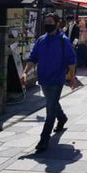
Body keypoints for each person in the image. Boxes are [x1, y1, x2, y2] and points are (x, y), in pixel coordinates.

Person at [20, 13, 77, 152]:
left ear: (57, 23)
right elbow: (33, 58)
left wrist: (72, 77)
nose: (47, 24)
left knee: (50, 109)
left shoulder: (63, 40)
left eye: (50, 21)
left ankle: (44, 139)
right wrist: (25, 72)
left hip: (57, 79)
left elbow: (71, 60)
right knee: (52, 102)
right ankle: (62, 118)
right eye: (46, 21)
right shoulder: (41, 40)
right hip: (43, 78)